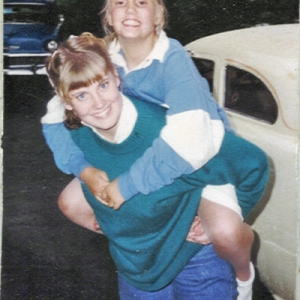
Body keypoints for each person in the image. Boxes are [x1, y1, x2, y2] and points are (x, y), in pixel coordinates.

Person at [41, 1, 266, 298]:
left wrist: (128, 185)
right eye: (121, 3)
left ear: (159, 15)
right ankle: (143, 240)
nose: (131, 10)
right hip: (145, 153)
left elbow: (190, 143)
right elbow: (56, 113)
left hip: (201, 156)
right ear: (108, 16)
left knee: (222, 230)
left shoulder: (172, 59)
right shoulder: (105, 58)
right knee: (71, 202)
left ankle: (243, 273)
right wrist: (82, 167)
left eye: (142, 2)